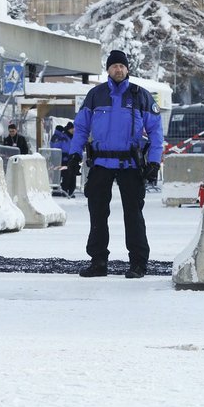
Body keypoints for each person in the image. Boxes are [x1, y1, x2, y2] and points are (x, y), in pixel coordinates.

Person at [65, 49, 163, 279]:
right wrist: (74, 156)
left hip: (130, 164)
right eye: (114, 66)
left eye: (122, 66)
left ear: (127, 69)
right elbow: (81, 128)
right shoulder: (95, 95)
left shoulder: (141, 96)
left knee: (133, 214)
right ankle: (98, 261)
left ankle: (138, 263)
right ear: (108, 70)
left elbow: (156, 131)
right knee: (97, 213)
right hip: (101, 163)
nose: (118, 69)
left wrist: (154, 162)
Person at [50, 122, 76, 197]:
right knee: (64, 174)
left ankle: (69, 190)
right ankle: (63, 190)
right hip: (62, 158)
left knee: (70, 174)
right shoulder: (62, 137)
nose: (73, 130)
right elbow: (57, 147)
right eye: (72, 128)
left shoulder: (71, 137)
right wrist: (61, 156)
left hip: (69, 158)